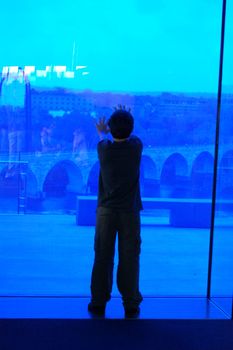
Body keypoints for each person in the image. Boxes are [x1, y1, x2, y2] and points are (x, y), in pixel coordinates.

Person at [88, 107, 143, 318]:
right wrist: (123, 120)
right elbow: (131, 136)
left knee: (102, 256)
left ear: (110, 129)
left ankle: (98, 301)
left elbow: (103, 137)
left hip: (106, 212)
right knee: (130, 257)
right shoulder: (136, 148)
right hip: (129, 211)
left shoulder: (104, 150)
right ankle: (130, 303)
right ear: (131, 129)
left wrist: (104, 130)